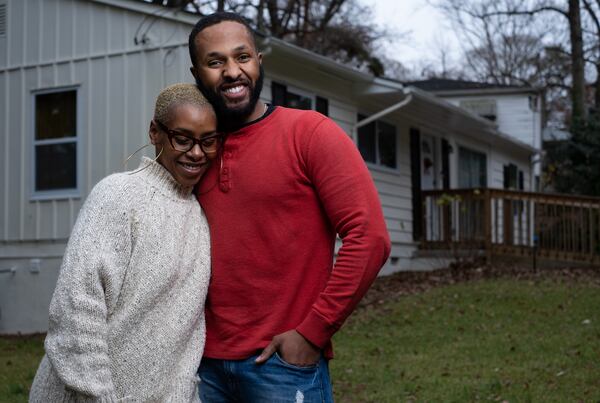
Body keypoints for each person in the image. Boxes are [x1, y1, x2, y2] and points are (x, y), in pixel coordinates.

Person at [189, 12, 392, 402]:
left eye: (242, 57)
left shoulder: (310, 133)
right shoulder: (196, 153)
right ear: (198, 73)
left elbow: (369, 238)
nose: (232, 71)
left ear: (259, 62)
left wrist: (313, 331)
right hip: (200, 368)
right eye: (216, 62)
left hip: (280, 367)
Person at [29, 83, 222, 403]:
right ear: (154, 132)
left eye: (208, 142)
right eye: (182, 139)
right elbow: (76, 309)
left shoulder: (200, 218)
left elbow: (184, 338)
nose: (197, 152)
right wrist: (99, 396)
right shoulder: (119, 195)